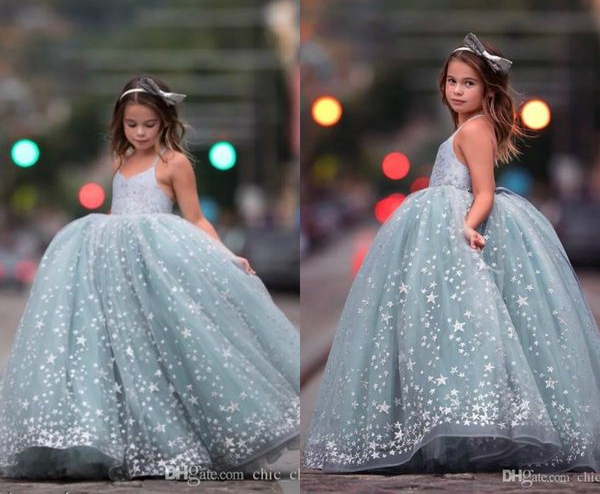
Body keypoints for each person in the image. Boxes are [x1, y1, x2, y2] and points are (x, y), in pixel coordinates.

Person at [303, 34, 600, 474]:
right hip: (443, 228)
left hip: (457, 231)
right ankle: (453, 420)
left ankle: (469, 420)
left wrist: (466, 226)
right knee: (449, 328)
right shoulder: (467, 128)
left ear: (487, 91)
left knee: (463, 326)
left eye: (469, 84)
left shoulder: (476, 129)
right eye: (451, 82)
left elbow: (483, 192)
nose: (457, 90)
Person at [0, 76, 300, 480]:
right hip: (112, 263)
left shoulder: (174, 163)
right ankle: (113, 437)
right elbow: (116, 212)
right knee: (114, 350)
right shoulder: (120, 160)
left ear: (166, 121)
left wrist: (226, 254)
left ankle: (173, 437)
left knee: (159, 345)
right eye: (131, 124)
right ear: (120, 124)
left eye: (149, 124)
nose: (140, 132)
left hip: (154, 262)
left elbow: (194, 218)